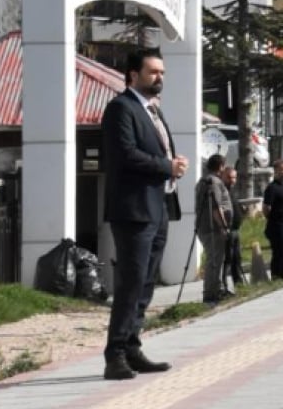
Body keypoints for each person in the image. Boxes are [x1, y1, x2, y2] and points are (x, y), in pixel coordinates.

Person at [101, 49, 188, 381]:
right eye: (153, 72)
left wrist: (173, 165)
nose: (159, 77)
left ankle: (132, 347)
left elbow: (155, 151)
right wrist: (167, 166)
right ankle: (115, 355)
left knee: (147, 282)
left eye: (162, 72)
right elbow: (125, 155)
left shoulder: (153, 110)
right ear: (133, 75)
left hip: (158, 207)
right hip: (134, 210)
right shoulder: (121, 108)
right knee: (131, 282)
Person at [195, 154, 232, 305]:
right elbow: (216, 207)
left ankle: (215, 290)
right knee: (215, 260)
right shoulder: (214, 182)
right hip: (212, 228)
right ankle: (212, 293)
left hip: (205, 227)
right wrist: (223, 226)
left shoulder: (202, 181)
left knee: (214, 259)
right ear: (221, 166)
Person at [261, 159, 283, 279]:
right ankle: (276, 274)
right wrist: (273, 218)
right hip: (277, 226)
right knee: (279, 250)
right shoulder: (272, 188)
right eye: (282, 170)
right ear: (276, 171)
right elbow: (266, 208)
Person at [221, 162, 246, 290]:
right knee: (227, 259)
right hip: (227, 230)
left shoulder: (232, 191)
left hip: (236, 230)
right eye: (229, 177)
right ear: (223, 177)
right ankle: (223, 284)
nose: (232, 180)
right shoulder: (221, 191)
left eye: (234, 178)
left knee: (237, 258)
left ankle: (238, 283)